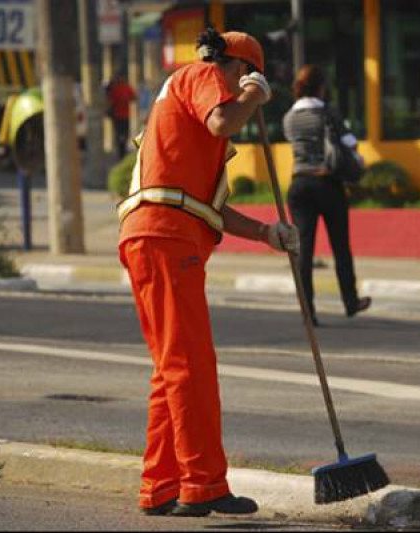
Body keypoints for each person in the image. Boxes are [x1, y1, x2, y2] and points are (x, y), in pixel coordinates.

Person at [116, 28, 299, 517]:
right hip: (165, 238)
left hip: (156, 234)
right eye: (247, 74)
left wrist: (266, 234)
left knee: (171, 369)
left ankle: (160, 485)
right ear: (236, 67)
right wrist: (254, 98)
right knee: (191, 365)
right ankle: (203, 485)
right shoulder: (201, 77)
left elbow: (207, 208)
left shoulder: (183, 112)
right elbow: (223, 120)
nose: (244, 84)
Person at [282, 64, 371, 326]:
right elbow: (350, 144)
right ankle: (350, 301)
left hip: (299, 185)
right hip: (327, 183)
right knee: (340, 246)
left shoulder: (289, 117)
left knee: (303, 251)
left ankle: (307, 310)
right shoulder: (328, 112)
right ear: (321, 87)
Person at [106, 73, 137, 159]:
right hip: (121, 115)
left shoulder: (119, 88)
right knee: (122, 134)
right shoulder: (121, 88)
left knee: (121, 134)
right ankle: (121, 151)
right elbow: (134, 97)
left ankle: (121, 151)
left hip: (121, 115)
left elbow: (133, 97)